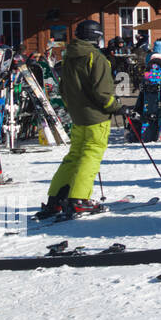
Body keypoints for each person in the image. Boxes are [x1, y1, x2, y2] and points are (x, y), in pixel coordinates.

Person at [41, 20, 127, 218]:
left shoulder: (69, 56)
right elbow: (102, 92)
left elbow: (63, 88)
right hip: (95, 116)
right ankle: (79, 199)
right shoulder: (95, 58)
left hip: (78, 114)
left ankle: (57, 197)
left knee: (75, 156)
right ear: (96, 36)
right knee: (91, 155)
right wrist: (116, 107)